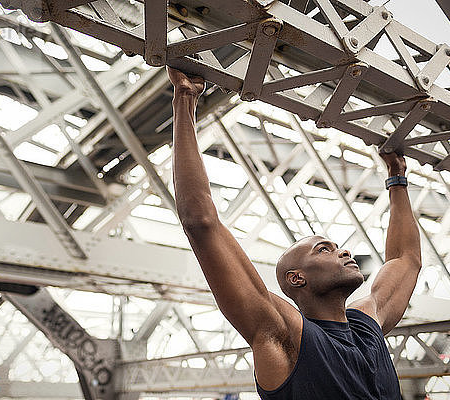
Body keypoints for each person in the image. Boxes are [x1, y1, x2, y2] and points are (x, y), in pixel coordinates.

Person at [168, 66, 421, 399]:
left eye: (337, 246)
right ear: (296, 279)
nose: (343, 251)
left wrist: (396, 177)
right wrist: (184, 99)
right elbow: (200, 222)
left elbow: (406, 259)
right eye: (324, 249)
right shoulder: (282, 332)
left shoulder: (366, 323)